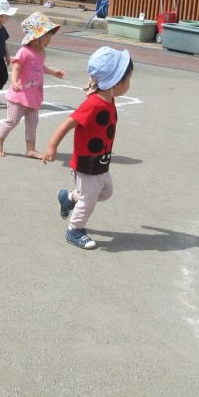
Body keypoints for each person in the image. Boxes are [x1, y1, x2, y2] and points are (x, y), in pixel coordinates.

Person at [43, 46, 133, 251]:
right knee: (89, 200)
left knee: (106, 192)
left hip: (101, 160)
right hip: (87, 164)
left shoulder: (108, 100)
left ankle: (69, 198)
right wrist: (52, 145)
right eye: (127, 79)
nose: (129, 84)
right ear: (115, 82)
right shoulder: (93, 105)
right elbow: (68, 123)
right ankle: (74, 230)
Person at [0, 12, 66, 158]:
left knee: (33, 123)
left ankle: (30, 149)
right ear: (36, 37)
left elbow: (40, 68)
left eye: (50, 36)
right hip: (19, 96)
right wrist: (14, 82)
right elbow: (16, 67)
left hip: (34, 96)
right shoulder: (24, 51)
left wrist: (53, 72)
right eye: (46, 36)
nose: (49, 39)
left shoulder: (41, 53)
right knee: (12, 120)